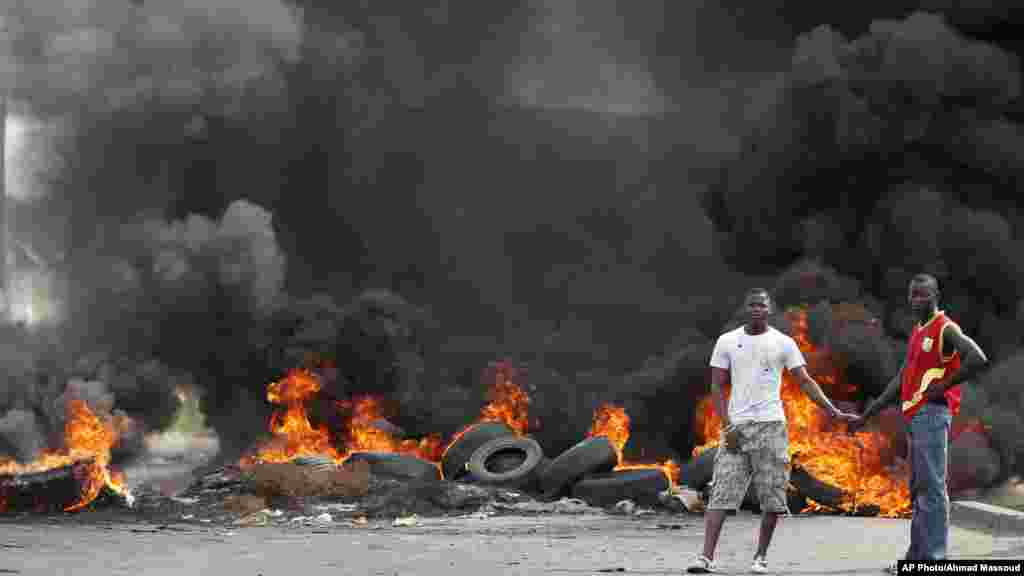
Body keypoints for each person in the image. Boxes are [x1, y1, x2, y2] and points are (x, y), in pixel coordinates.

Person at [688, 288, 857, 574]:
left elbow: (805, 381)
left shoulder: (783, 343)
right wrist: (727, 426)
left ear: (770, 310)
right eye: (752, 304)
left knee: (772, 497)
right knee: (721, 494)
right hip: (737, 429)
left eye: (762, 305)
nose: (757, 309)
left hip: (772, 427)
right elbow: (716, 385)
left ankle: (760, 558)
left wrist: (833, 411)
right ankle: (705, 558)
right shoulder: (727, 341)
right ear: (746, 308)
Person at [853, 274, 988, 571]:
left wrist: (945, 386)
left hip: (933, 413)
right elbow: (903, 376)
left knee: (932, 489)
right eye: (913, 294)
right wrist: (872, 410)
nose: (916, 300)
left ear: (936, 296)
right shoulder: (918, 330)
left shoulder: (945, 328)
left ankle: (934, 560)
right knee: (920, 491)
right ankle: (916, 559)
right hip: (915, 415)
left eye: (923, 294)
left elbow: (977, 357)